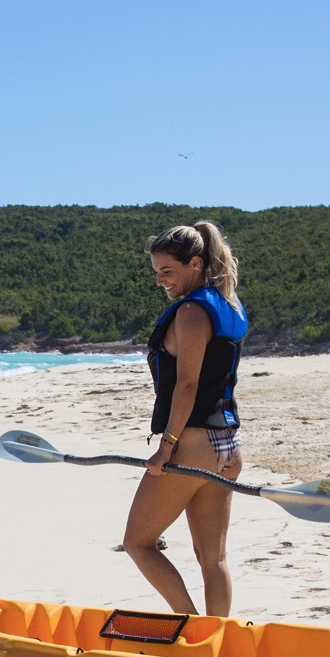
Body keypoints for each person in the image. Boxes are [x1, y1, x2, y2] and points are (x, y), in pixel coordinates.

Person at [122, 221, 249, 616]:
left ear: (195, 263)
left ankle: (191, 626)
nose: (161, 281)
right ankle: (218, 643)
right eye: (157, 272)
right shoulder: (229, 304)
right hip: (227, 444)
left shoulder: (192, 311)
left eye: (167, 271)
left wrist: (166, 446)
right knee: (213, 558)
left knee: (138, 543)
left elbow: (188, 386)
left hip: (193, 445)